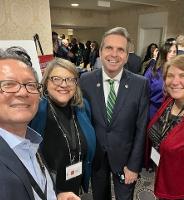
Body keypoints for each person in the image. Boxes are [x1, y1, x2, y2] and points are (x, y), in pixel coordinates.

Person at [0, 46, 80, 200]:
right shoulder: (40, 115)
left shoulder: (31, 142)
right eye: (8, 84)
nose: (23, 92)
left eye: (30, 85)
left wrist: (54, 196)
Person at [80, 27, 149, 200]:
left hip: (125, 159)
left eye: (120, 50)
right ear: (100, 51)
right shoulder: (85, 81)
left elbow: (141, 129)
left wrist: (134, 166)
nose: (114, 54)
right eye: (109, 48)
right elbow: (81, 120)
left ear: (127, 55)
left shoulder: (140, 84)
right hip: (97, 159)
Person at [29, 58, 96, 195]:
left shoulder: (82, 106)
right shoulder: (36, 111)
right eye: (56, 79)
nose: (64, 85)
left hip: (76, 181)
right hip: (48, 188)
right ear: (46, 81)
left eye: (70, 79)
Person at [147, 54, 184, 200]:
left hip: (183, 193)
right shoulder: (170, 101)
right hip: (163, 182)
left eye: (183, 75)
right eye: (170, 75)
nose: (175, 81)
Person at [144, 41, 177, 120]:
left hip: (171, 112)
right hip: (153, 111)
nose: (172, 54)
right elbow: (143, 93)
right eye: (169, 51)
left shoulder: (178, 71)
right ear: (164, 53)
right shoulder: (153, 71)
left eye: (175, 52)